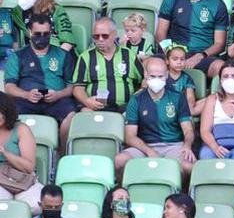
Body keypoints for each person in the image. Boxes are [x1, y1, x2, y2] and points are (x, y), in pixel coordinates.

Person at [115, 57, 196, 178]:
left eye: (160, 76)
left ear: (167, 75)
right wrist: (149, 151)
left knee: (189, 167)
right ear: (145, 74)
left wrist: (187, 145)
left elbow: (188, 130)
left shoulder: (178, 97)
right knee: (119, 160)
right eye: (152, 76)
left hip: (173, 145)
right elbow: (129, 136)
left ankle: (176, 193)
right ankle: (125, 193)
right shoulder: (136, 99)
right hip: (144, 146)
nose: (156, 80)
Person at [4, 12, 78, 144]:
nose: (42, 37)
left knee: (72, 116)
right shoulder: (17, 56)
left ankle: (62, 155)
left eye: (46, 34)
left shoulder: (63, 55)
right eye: (38, 34)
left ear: (51, 32)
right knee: (5, 114)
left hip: (57, 100)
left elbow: (71, 86)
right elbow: (9, 87)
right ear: (29, 31)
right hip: (25, 101)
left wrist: (58, 95)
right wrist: (27, 95)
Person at [156, 0, 230, 75]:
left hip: (203, 56)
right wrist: (171, 54)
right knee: (151, 65)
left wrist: (200, 56)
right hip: (173, 51)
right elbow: (160, 33)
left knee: (223, 69)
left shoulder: (217, 4)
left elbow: (219, 44)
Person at [71, 16, 140, 116]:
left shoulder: (129, 55)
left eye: (105, 36)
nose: (100, 39)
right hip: (94, 108)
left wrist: (134, 102)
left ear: (114, 34)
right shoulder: (85, 57)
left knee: (132, 116)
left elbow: (143, 81)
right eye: (96, 36)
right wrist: (86, 101)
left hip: (124, 108)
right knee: (85, 113)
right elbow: (78, 88)